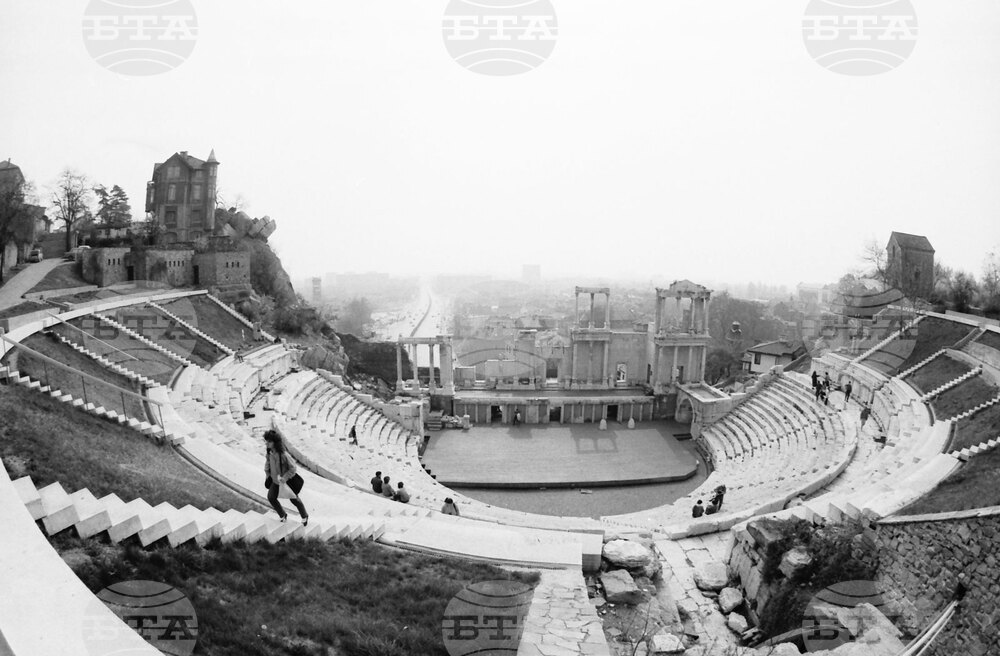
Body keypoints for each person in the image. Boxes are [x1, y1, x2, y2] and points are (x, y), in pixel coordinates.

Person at [263, 430, 308, 525]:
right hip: (275, 481)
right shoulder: (269, 453)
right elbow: (268, 463)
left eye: (269, 441)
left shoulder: (283, 454)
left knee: (294, 499)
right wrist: (267, 473)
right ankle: (283, 515)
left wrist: (285, 478)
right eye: (266, 441)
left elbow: (293, 468)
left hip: (285, 482)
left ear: (275, 443)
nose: (267, 443)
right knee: (271, 497)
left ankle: (304, 515)